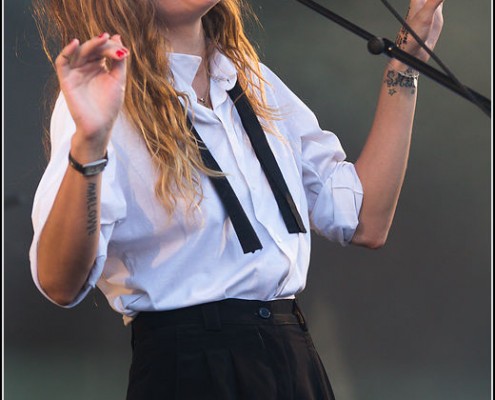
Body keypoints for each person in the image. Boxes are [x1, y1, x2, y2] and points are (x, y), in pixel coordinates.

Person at [29, 0, 444, 398]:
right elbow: (59, 283)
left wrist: (405, 64)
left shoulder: (253, 82)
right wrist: (89, 145)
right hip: (193, 369)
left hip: (294, 359)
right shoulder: (103, 98)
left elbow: (366, 219)